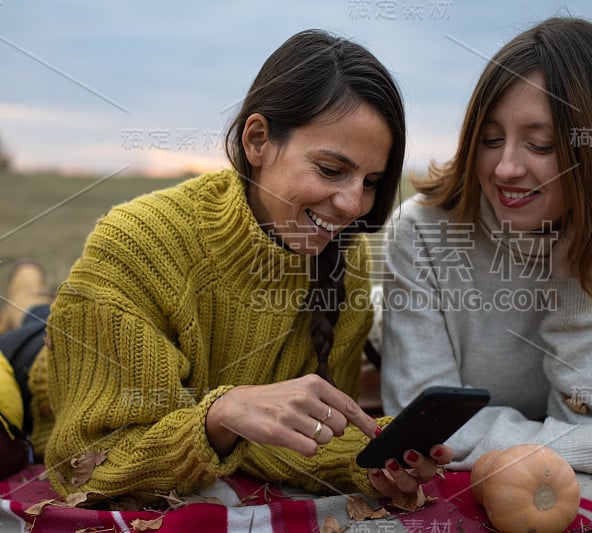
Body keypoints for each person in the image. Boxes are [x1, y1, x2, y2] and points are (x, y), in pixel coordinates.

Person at [0, 29, 453, 503]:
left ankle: (32, 296)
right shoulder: (136, 242)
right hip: (43, 366)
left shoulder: (346, 256)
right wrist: (222, 413)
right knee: (35, 322)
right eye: (330, 169)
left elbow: (296, 441)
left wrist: (371, 459)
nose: (351, 204)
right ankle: (28, 298)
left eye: (372, 181)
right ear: (257, 140)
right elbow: (85, 468)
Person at [380, 17, 592, 480]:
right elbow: (422, 428)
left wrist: (573, 290)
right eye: (490, 140)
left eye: (539, 144)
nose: (504, 168)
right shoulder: (422, 231)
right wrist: (591, 448)